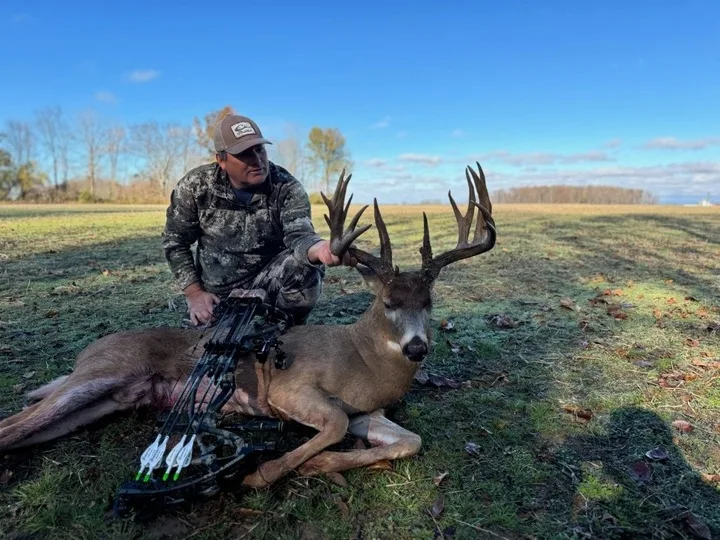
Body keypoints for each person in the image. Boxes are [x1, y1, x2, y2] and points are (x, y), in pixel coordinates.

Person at [162, 113, 354, 327]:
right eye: (244, 154)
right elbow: (175, 241)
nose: (257, 160)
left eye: (259, 149)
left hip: (270, 286)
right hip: (218, 295)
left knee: (307, 267)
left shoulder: (286, 187)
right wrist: (195, 294)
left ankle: (285, 331)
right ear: (221, 160)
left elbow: (300, 237)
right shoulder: (196, 186)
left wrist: (320, 249)